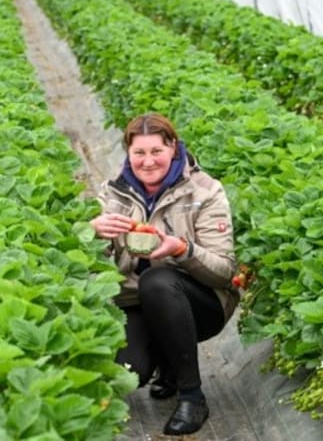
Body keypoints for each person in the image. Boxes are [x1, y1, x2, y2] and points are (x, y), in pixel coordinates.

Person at [90, 112, 239, 436]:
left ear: (173, 147)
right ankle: (165, 361)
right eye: (139, 153)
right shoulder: (114, 193)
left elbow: (226, 271)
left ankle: (191, 395)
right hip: (133, 300)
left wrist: (181, 249)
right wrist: (91, 233)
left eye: (156, 151)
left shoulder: (204, 192)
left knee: (157, 281)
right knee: (127, 372)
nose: (147, 162)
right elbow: (92, 265)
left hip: (199, 302)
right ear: (128, 153)